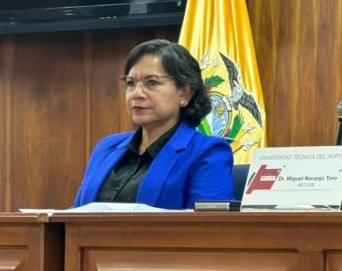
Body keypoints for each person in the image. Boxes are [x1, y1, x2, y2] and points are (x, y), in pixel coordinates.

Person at [74, 39, 233, 209]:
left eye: (152, 82)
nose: (137, 94)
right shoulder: (106, 147)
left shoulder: (207, 152)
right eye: (131, 83)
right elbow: (74, 215)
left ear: (185, 94)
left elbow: (210, 223)